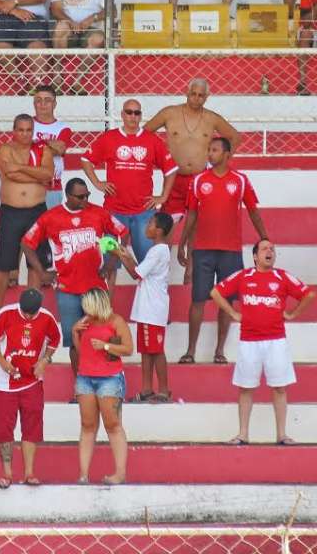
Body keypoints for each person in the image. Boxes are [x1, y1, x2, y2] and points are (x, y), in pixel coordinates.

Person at [21, 177, 128, 383]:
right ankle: (82, 386)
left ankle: (106, 379)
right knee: (74, 341)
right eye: (80, 196)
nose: (85, 199)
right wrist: (42, 272)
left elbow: (123, 232)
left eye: (87, 195)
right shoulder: (51, 217)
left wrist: (111, 262)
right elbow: (26, 243)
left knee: (105, 334)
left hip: (95, 288)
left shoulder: (99, 212)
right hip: (67, 289)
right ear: (68, 196)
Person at [213, 240, 315, 445]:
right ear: (255, 256)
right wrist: (233, 312)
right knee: (245, 388)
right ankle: (243, 434)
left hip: (276, 341)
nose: (270, 252)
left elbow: (308, 294)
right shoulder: (243, 276)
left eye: (272, 249)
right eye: (265, 249)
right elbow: (216, 292)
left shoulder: (282, 276)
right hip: (249, 341)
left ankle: (282, 435)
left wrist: (293, 314)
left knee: (279, 388)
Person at [178, 136, 268, 364]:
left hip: (230, 251)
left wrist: (265, 238)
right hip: (203, 250)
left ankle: (219, 351)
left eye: (215, 150)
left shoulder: (240, 180)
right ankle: (190, 351)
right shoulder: (198, 180)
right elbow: (191, 215)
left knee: (227, 302)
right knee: (198, 300)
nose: (210, 154)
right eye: (209, 150)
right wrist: (182, 244)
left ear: (227, 155)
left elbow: (253, 211)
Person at [81, 97, 177, 263]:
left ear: (141, 116)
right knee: (109, 262)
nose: (133, 116)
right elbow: (86, 160)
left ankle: (147, 291)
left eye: (137, 113)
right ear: (122, 115)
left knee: (148, 262)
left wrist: (163, 197)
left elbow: (171, 169)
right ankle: (107, 291)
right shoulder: (109, 138)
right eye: (129, 112)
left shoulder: (152, 140)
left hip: (143, 213)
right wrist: (98, 183)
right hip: (113, 211)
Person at [0, 288, 61, 488]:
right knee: (4, 429)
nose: (28, 316)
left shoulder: (47, 318)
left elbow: (55, 340)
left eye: (31, 313)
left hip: (32, 381)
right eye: (25, 312)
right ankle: (7, 474)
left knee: (32, 426)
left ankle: (29, 472)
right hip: (5, 383)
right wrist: (2, 362)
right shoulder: (6, 314)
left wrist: (45, 360)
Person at [144, 77, 240, 222]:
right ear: (186, 93)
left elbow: (235, 137)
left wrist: (221, 163)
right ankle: (167, 246)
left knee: (197, 222)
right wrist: (157, 158)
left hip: (200, 178)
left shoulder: (212, 118)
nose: (196, 98)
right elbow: (144, 134)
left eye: (201, 95)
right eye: (193, 94)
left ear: (206, 97)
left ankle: (191, 246)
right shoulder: (169, 113)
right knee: (167, 222)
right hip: (174, 178)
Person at [0, 114, 53, 317]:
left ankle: (31, 312)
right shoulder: (5, 149)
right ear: (14, 130)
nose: (25, 134)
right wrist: (34, 172)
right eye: (21, 130)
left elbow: (48, 175)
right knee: (3, 265)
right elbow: (10, 174)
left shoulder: (41, 150)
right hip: (10, 212)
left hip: (36, 211)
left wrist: (20, 167)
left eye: (29, 130)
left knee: (34, 264)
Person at [72, 289, 132, 484]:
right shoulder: (85, 322)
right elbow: (82, 351)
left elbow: (128, 349)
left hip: (110, 378)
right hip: (85, 377)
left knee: (113, 425)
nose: (86, 311)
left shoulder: (116, 321)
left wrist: (106, 346)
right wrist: (75, 332)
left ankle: (120, 473)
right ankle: (83, 474)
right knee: (87, 425)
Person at [116, 212, 174, 403]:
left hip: (152, 309)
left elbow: (135, 274)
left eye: (150, 223)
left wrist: (120, 254)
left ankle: (164, 391)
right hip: (147, 310)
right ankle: (147, 389)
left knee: (156, 351)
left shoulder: (158, 251)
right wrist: (125, 254)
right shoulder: (157, 250)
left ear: (158, 230)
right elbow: (140, 270)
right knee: (147, 351)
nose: (146, 227)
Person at [32, 84, 71, 210]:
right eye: (39, 100)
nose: (43, 104)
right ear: (34, 104)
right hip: (28, 185)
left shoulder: (63, 128)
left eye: (47, 100)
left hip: (52, 186)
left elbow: (59, 150)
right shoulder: (25, 123)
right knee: (28, 229)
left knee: (50, 228)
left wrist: (35, 143)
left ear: (54, 104)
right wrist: (51, 144)